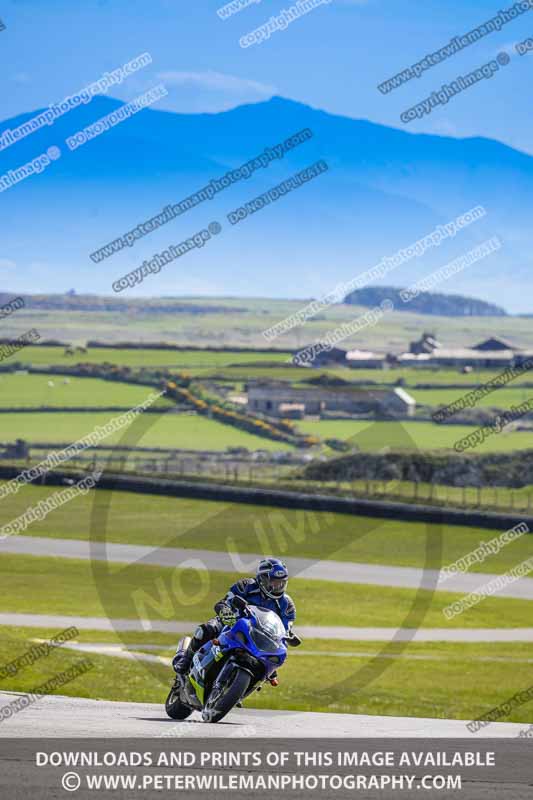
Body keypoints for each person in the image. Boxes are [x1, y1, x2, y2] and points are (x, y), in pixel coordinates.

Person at [172, 557, 295, 677]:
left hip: (259, 637)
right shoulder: (246, 585)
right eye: (273, 582)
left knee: (269, 669)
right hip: (232, 623)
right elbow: (224, 602)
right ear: (262, 579)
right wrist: (225, 611)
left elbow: (285, 631)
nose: (277, 587)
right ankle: (186, 659)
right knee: (206, 630)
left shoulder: (287, 605)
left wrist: (285, 639)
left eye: (281, 583)